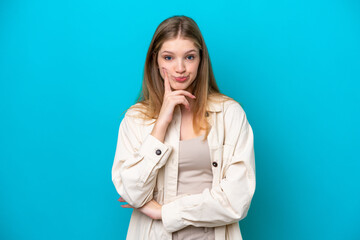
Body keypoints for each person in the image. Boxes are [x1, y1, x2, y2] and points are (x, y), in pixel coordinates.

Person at [111, 15, 256, 240]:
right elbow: (133, 193)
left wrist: (164, 212)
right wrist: (161, 124)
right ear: (155, 61)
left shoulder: (230, 114)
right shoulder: (135, 119)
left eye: (189, 57)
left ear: (201, 60)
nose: (180, 68)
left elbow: (237, 200)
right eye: (168, 57)